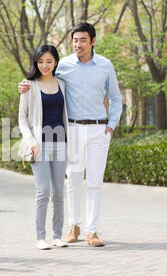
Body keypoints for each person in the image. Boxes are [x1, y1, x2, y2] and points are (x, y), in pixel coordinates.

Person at [19, 22, 123, 247]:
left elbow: (116, 98)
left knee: (95, 182)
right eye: (75, 40)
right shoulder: (63, 64)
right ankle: (74, 226)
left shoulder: (105, 65)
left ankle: (92, 231)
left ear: (93, 41)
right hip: (72, 130)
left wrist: (111, 126)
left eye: (83, 40)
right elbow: (42, 76)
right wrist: (25, 85)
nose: (78, 44)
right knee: (73, 180)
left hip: (98, 129)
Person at [18, 45, 69, 250]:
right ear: (35, 63)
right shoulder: (29, 86)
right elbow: (22, 118)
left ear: (55, 62)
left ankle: (57, 235)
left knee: (58, 191)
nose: (44, 65)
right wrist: (31, 141)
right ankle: (40, 237)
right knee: (43, 190)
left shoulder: (63, 84)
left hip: (60, 143)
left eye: (49, 61)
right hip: (39, 145)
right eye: (40, 62)